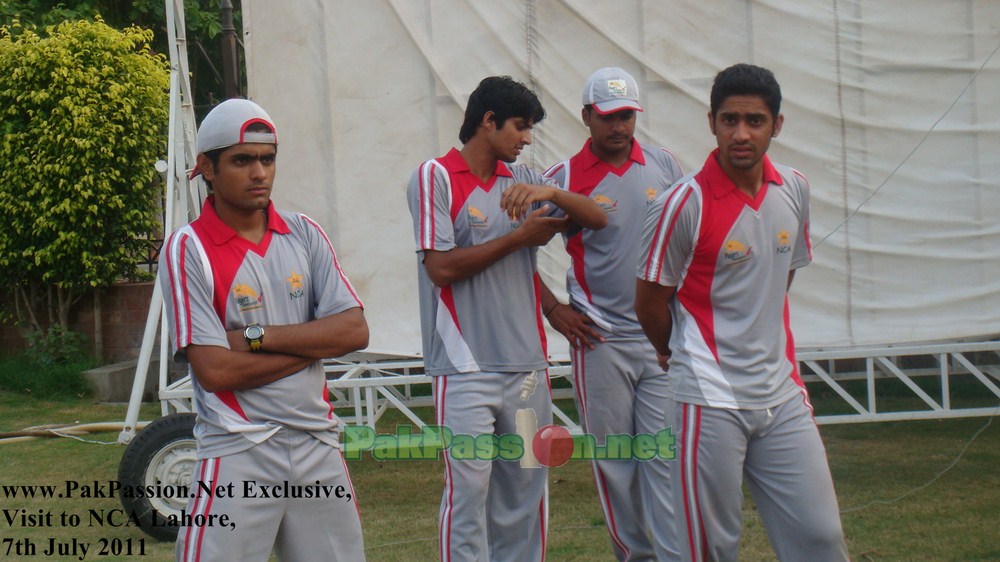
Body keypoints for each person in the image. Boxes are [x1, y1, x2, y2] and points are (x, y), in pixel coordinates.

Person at [634, 63, 850, 562]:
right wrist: (680, 356)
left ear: (777, 124)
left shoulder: (793, 188)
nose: (741, 133)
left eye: (755, 120)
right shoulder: (681, 203)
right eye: (729, 120)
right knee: (710, 548)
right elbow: (648, 304)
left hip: (780, 393)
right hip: (706, 398)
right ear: (711, 122)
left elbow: (779, 280)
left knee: (819, 537)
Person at [406, 75, 607, 562]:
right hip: (464, 366)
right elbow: (442, 268)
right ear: (488, 121)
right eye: (520, 126)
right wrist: (519, 239)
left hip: (526, 367)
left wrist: (555, 197)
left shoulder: (523, 182)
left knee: (525, 492)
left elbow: (599, 219)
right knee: (469, 494)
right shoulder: (434, 175)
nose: (527, 138)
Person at [160, 98, 369, 562]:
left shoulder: (304, 233)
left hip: (317, 444)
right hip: (238, 447)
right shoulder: (187, 248)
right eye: (241, 160)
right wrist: (314, 344)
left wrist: (257, 338)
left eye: (267, 159)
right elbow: (215, 370)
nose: (259, 173)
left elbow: (355, 331)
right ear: (206, 168)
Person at [539, 67, 684, 562]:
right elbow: (513, 250)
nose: (619, 127)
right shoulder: (561, 179)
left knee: (664, 456)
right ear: (586, 117)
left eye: (626, 116)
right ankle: (635, 556)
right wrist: (553, 308)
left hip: (661, 341)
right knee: (617, 462)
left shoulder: (665, 166)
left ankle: (673, 554)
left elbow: (690, 242)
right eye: (608, 117)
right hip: (600, 343)